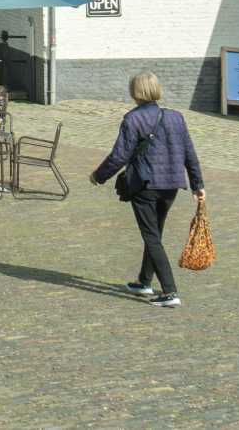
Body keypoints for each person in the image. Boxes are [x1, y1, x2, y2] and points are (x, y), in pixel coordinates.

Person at [90, 71, 204, 309]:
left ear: (135, 92)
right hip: (171, 184)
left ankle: (170, 291)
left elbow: (120, 155)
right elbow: (189, 152)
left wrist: (98, 176)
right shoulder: (176, 117)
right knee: (155, 234)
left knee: (151, 236)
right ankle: (144, 282)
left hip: (145, 184)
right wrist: (197, 184)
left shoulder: (132, 119)